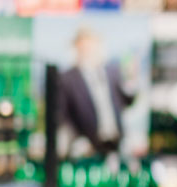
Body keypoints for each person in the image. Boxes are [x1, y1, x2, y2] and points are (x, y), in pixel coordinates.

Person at [57, 26, 134, 156]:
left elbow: (127, 101)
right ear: (77, 49)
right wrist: (75, 140)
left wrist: (132, 80)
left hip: (117, 143)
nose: (89, 51)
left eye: (92, 46)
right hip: (87, 146)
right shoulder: (68, 78)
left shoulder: (112, 72)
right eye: (84, 47)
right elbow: (63, 115)